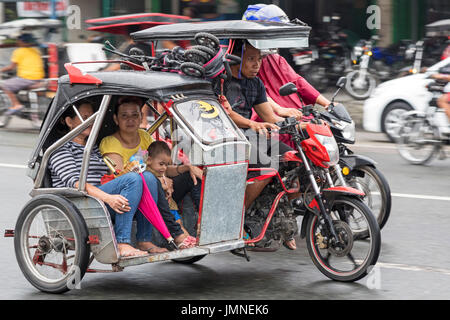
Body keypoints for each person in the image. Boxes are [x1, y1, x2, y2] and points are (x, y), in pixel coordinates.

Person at [215, 39, 303, 249]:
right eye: (251, 59)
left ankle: (274, 216)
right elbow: (227, 114)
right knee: (266, 168)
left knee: (296, 163)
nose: (257, 65)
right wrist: (252, 124)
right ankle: (235, 217)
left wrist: (300, 124)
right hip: (228, 138)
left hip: (253, 135)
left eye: (260, 59)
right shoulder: (223, 82)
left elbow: (270, 117)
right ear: (237, 60)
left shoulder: (255, 83)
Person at [48, 100, 155, 258]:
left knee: (148, 178)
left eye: (93, 117)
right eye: (85, 117)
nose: (91, 121)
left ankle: (145, 239)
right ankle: (122, 242)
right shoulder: (60, 149)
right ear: (70, 121)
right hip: (80, 201)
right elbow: (77, 184)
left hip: (100, 199)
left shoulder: (92, 148)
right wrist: (108, 198)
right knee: (133, 179)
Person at [99, 96, 197, 249]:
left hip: (153, 189)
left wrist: (185, 168)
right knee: (148, 179)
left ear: (141, 118)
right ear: (116, 119)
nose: (130, 120)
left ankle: (202, 227)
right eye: (124, 116)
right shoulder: (110, 142)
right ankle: (177, 233)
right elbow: (122, 177)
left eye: (135, 115)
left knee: (190, 176)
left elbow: (159, 164)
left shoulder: (144, 136)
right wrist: (161, 181)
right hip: (128, 193)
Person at [146, 140, 190, 238]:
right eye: (161, 164)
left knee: (179, 223)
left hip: (170, 205)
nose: (164, 168)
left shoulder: (160, 173)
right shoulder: (148, 173)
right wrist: (165, 186)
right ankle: (184, 240)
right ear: (149, 160)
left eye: (166, 164)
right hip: (163, 208)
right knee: (176, 224)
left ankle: (187, 239)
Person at [0, 33, 45, 115]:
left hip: (27, 78)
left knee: (4, 85)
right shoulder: (36, 50)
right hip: (38, 77)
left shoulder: (19, 51)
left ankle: (16, 105)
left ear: (22, 41)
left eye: (18, 40)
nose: (17, 42)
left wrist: (1, 70)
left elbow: (11, 67)